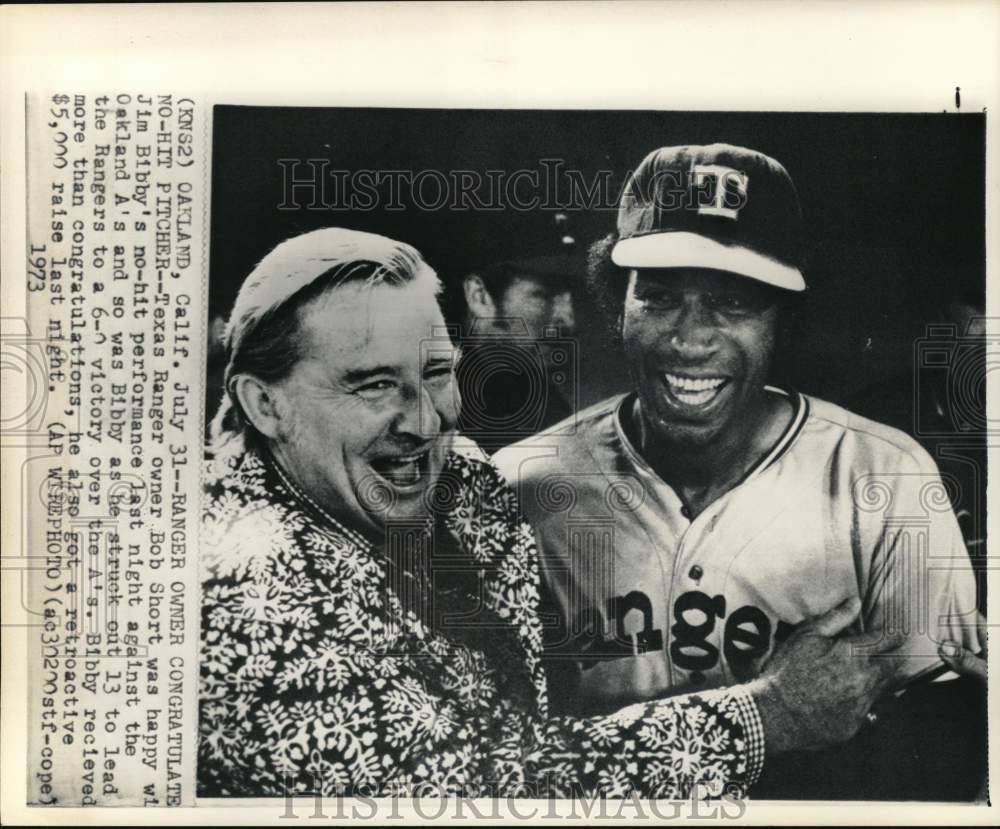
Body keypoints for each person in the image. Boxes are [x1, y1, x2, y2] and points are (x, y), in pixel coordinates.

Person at [198, 226, 904, 799]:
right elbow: (480, 791)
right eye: (372, 384)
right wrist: (766, 714)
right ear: (267, 403)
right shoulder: (242, 593)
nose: (425, 418)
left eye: (436, 373)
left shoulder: (462, 476)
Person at [493, 145, 983, 790]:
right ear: (617, 307)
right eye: (661, 298)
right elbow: (488, 756)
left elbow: (940, 743)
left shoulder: (887, 478)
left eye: (735, 302)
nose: (692, 339)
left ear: (784, 321)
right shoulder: (518, 485)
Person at [453, 214, 579, 453]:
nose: (569, 320)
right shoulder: (433, 410)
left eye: (570, 298)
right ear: (478, 297)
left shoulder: (542, 402)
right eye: (543, 296)